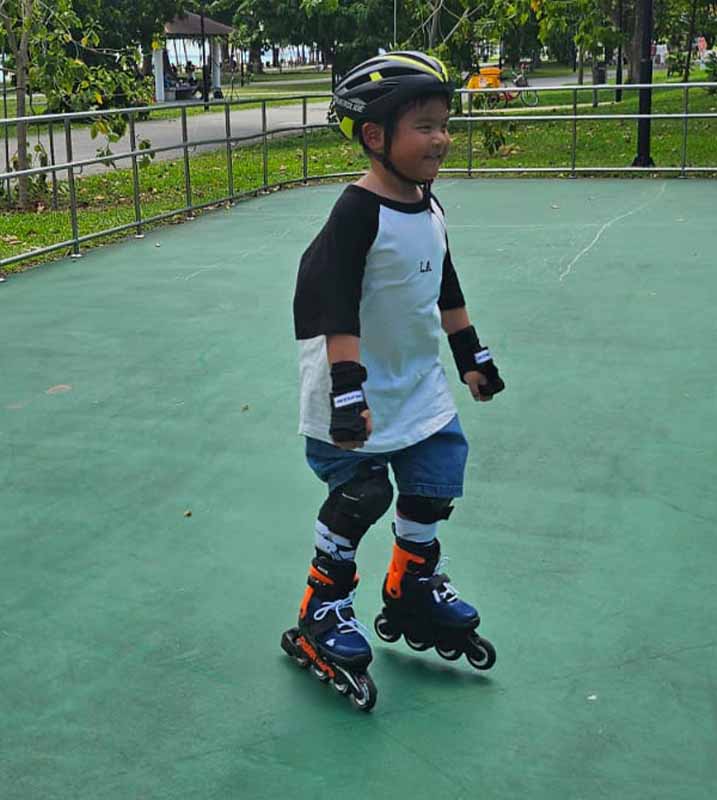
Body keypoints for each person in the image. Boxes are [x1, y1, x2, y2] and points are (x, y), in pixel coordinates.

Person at [280, 51, 505, 711]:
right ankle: (322, 606)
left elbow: (444, 279)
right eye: (425, 127)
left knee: (439, 469)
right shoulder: (357, 214)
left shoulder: (427, 207)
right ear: (374, 137)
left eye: (443, 125)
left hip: (416, 387)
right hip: (352, 395)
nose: (441, 138)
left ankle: (410, 580)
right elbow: (330, 304)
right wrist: (347, 390)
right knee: (363, 493)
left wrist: (470, 352)